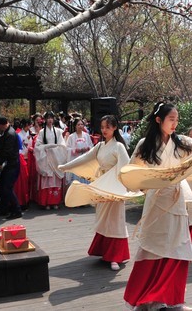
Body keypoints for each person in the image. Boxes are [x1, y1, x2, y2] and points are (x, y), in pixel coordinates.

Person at [123, 102, 192, 311]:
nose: (175, 124)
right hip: (156, 202)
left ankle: (173, 300)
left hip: (177, 200)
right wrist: (144, 186)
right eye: (171, 119)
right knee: (154, 249)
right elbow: (131, 173)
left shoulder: (181, 142)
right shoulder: (145, 144)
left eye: (177, 120)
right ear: (158, 120)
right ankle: (147, 299)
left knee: (178, 249)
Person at [60, 115, 132, 271]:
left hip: (115, 187)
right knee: (103, 219)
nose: (104, 130)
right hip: (102, 186)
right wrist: (66, 166)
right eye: (102, 127)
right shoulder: (99, 146)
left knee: (115, 221)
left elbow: (125, 167)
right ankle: (104, 251)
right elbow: (85, 158)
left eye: (108, 127)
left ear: (114, 128)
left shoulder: (119, 146)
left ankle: (115, 256)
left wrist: (125, 187)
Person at [34, 111, 67, 210]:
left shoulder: (58, 131)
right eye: (48, 118)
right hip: (46, 158)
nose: (50, 120)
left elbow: (62, 145)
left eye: (51, 118)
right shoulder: (41, 132)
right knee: (47, 180)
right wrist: (47, 147)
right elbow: (37, 146)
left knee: (55, 180)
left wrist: (56, 148)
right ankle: (46, 202)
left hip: (56, 158)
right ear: (45, 120)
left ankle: (55, 202)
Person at [0, 116, 22, 219]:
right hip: (9, 164)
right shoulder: (8, 132)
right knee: (1, 185)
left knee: (7, 187)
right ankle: (4, 208)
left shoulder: (10, 134)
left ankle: (17, 210)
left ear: (0, 125)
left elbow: (6, 151)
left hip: (12, 164)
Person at [64, 118, 94, 189]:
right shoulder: (71, 137)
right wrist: (75, 150)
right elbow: (67, 149)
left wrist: (88, 148)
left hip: (85, 161)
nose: (80, 126)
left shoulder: (87, 135)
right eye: (78, 124)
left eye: (81, 124)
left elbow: (91, 146)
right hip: (76, 161)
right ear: (75, 126)